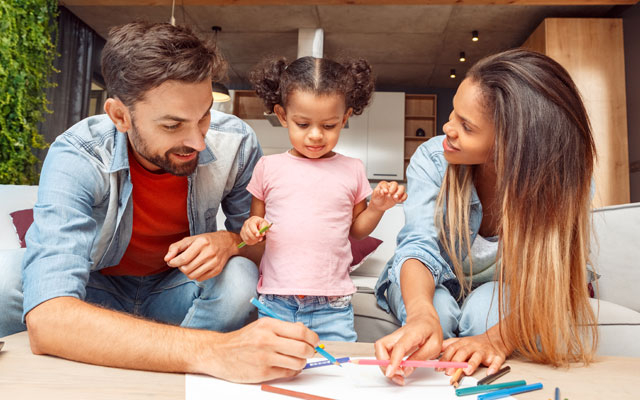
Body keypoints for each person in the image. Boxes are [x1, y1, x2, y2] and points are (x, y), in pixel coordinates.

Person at [13, 22, 320, 383]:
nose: (199, 142)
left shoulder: (236, 142)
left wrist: (229, 241)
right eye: (173, 126)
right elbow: (51, 314)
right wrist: (215, 351)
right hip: (92, 291)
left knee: (239, 279)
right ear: (120, 116)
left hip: (175, 291)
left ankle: (166, 374)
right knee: (8, 276)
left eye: (204, 115)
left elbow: (265, 247)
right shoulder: (78, 155)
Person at [374, 49, 598, 385]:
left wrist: (497, 340)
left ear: (513, 145)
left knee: (483, 314)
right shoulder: (433, 159)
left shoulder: (564, 180)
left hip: (506, 288)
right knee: (439, 312)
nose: (447, 127)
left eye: (466, 126)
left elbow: (556, 277)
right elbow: (418, 246)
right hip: (431, 279)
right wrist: (421, 315)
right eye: (453, 112)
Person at [239, 56, 407, 342]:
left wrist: (378, 208)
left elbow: (357, 230)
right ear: (282, 116)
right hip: (277, 299)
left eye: (329, 126)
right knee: (275, 370)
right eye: (302, 124)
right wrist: (250, 230)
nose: (315, 136)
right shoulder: (268, 167)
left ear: (344, 118)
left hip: (333, 304)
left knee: (335, 377)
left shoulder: (352, 169)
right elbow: (256, 227)